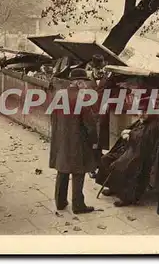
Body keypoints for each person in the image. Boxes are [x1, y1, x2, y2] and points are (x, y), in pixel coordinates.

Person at [49, 68, 99, 214]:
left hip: (61, 139)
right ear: (78, 82)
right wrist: (94, 141)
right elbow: (89, 124)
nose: (85, 86)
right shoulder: (82, 99)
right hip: (78, 141)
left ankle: (60, 202)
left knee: (62, 170)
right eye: (84, 82)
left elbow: (53, 117)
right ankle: (78, 205)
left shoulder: (59, 94)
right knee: (78, 172)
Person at [96, 111, 159, 207]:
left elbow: (145, 141)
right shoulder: (142, 121)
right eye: (140, 111)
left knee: (121, 165)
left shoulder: (154, 125)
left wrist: (130, 135)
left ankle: (126, 197)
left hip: (141, 155)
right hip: (130, 150)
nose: (141, 114)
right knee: (106, 159)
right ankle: (113, 187)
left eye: (145, 112)